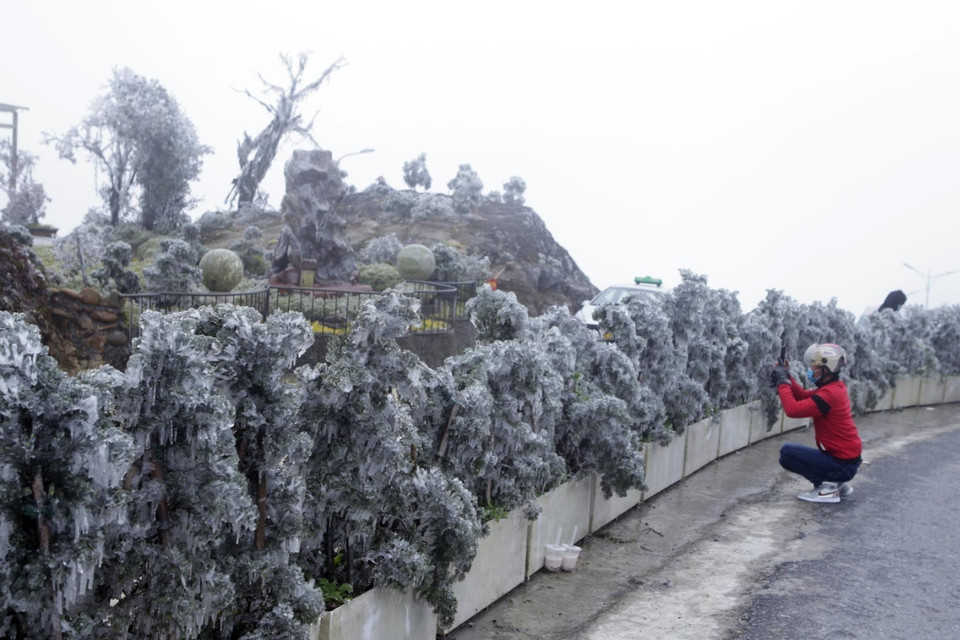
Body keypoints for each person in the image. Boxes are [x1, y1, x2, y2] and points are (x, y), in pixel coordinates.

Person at [770, 343, 862, 503]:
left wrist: (783, 382)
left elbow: (792, 409)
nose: (811, 369)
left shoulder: (829, 395)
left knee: (787, 453)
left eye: (814, 366)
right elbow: (803, 396)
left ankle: (827, 488)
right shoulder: (834, 388)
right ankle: (837, 484)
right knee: (789, 454)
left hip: (842, 464)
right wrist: (786, 376)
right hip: (846, 461)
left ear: (826, 369)